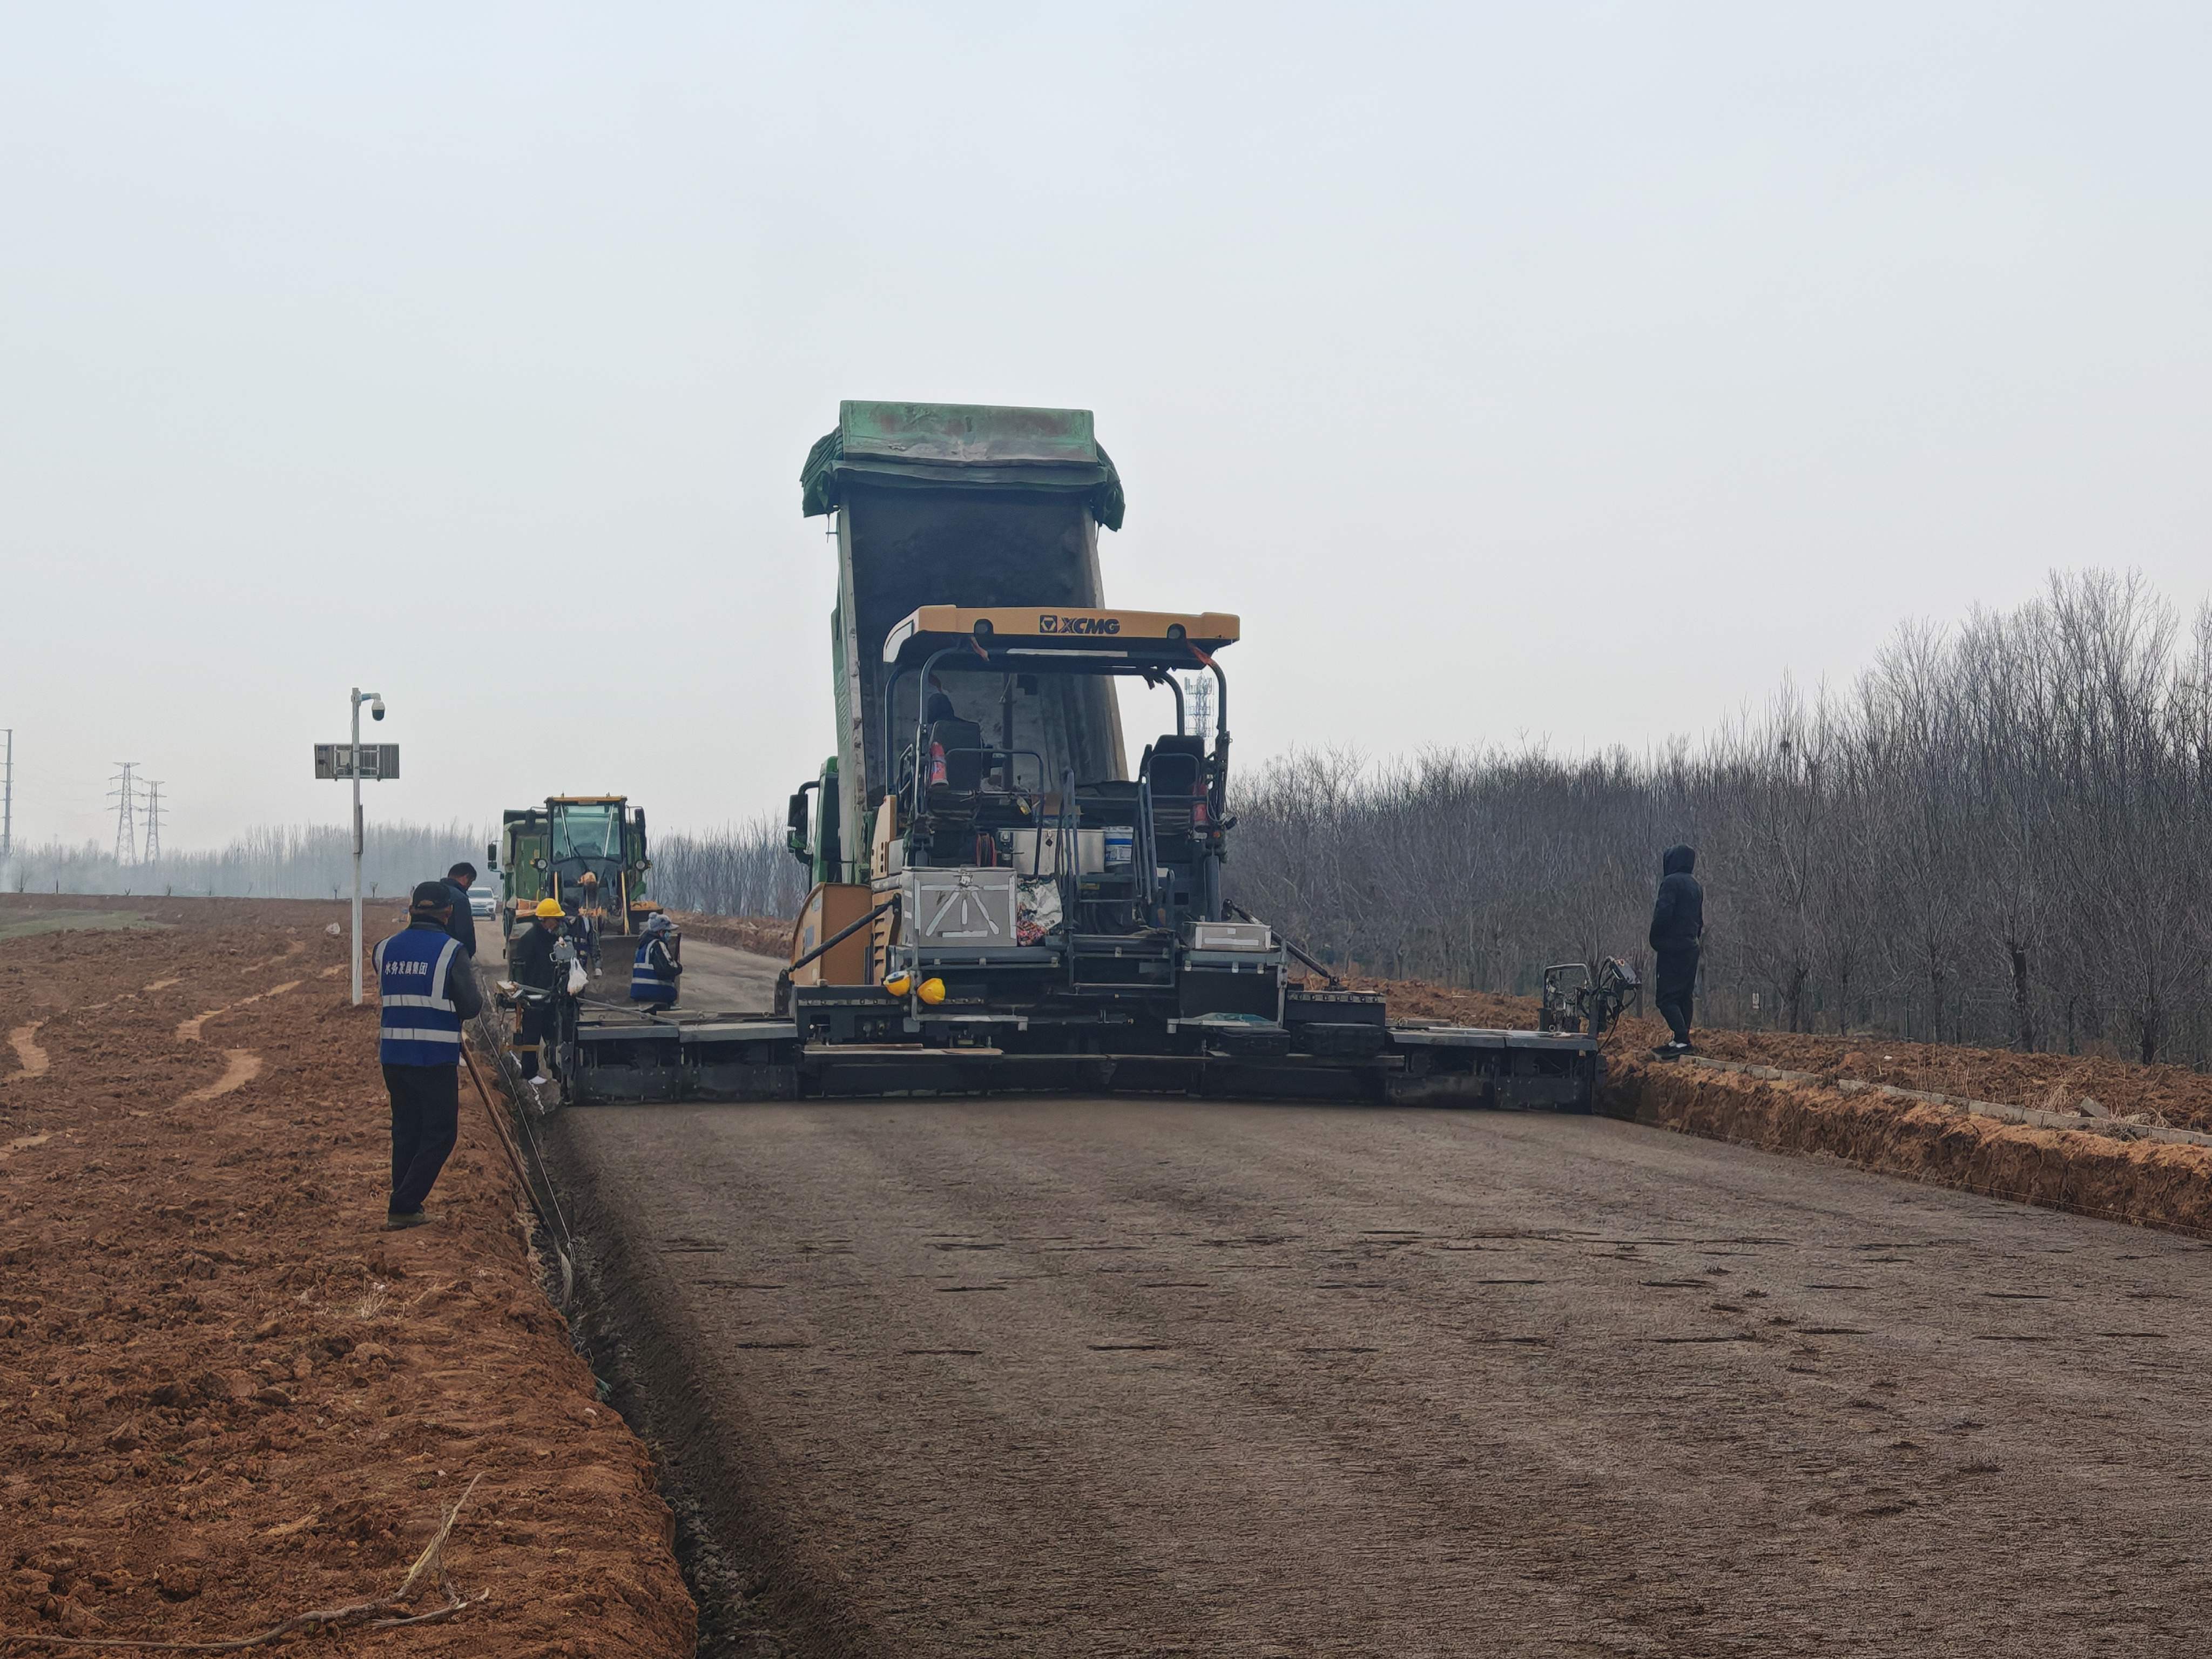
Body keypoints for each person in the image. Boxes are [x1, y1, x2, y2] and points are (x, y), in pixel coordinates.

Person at [373, 881, 483, 1230]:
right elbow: (470, 1006)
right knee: (440, 1134)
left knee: (406, 1130)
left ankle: (404, 1206)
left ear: (413, 907)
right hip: (433, 1057)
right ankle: (404, 1202)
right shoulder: (452, 951)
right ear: (448, 912)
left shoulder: (384, 949)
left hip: (393, 1055)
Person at [1648, 844, 1704, 1056]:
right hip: (1691, 947)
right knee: (1684, 996)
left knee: (1665, 998)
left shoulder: (1670, 882)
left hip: (1672, 948)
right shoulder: (1696, 886)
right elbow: (1700, 921)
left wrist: (1656, 939)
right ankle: (1681, 1040)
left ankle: (1682, 1039)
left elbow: (1663, 914)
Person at [509, 897, 567, 1083]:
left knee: (553, 1035)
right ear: (546, 919)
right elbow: (521, 968)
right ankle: (529, 1073)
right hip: (534, 997)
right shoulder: (530, 939)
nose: (558, 923)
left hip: (551, 996)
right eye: (556, 920)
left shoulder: (554, 939)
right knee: (532, 1037)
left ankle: (557, 1070)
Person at [630, 912, 682, 1012]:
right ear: (661, 932)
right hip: (656, 996)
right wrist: (678, 968)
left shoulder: (643, 945)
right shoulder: (658, 945)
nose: (669, 935)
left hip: (643, 996)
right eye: (668, 932)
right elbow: (666, 969)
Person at [442, 861, 479, 957]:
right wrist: (468, 953)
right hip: (453, 954)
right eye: (471, 882)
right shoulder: (460, 898)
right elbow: (465, 933)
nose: (469, 887)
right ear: (466, 878)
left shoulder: (431, 893)